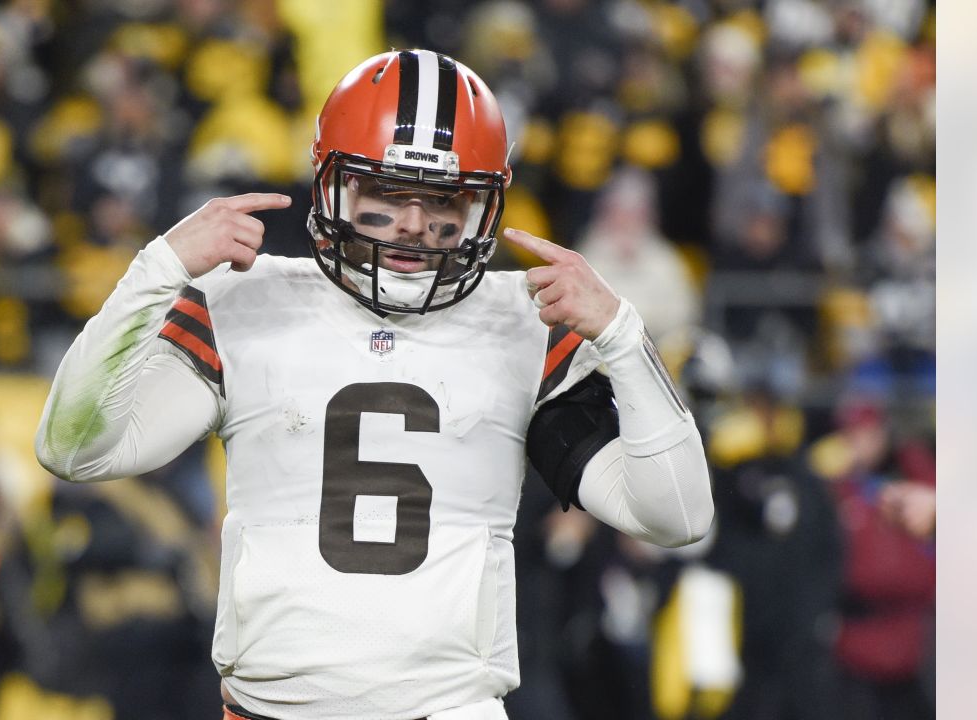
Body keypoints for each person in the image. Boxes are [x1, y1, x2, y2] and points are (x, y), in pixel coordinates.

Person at [36, 49, 713, 720]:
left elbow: (676, 516)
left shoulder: (524, 321)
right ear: (333, 185)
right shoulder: (243, 300)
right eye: (388, 194)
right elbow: (76, 449)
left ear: (486, 202)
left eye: (444, 199)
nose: (415, 224)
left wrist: (622, 336)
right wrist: (156, 270)